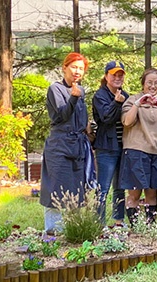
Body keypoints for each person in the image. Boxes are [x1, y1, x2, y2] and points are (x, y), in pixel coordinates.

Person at [40, 52, 94, 233]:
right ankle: (53, 232)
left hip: (78, 145)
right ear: (65, 68)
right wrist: (73, 97)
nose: (77, 71)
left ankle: (73, 230)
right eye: (74, 67)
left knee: (76, 188)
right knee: (56, 187)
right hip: (59, 145)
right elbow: (62, 115)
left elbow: (81, 119)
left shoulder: (81, 90)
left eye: (81, 68)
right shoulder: (55, 89)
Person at [120, 68, 157, 224]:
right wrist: (137, 104)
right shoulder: (132, 100)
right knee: (134, 193)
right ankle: (135, 226)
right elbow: (127, 122)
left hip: (156, 152)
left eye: (156, 83)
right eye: (149, 82)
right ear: (143, 84)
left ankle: (149, 225)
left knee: (152, 193)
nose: (153, 86)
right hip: (136, 151)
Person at [92, 61, 129, 225]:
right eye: (114, 74)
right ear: (106, 76)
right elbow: (106, 118)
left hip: (124, 146)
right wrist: (116, 103)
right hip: (106, 147)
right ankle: (98, 224)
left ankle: (118, 221)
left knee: (120, 187)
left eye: (120, 75)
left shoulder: (125, 95)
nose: (117, 78)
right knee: (103, 188)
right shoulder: (100, 96)